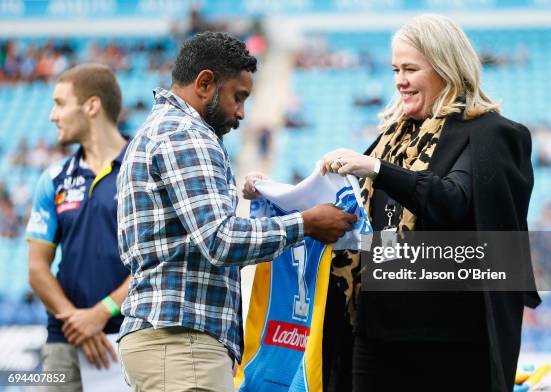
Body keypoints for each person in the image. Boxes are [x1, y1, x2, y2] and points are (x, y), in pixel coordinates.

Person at [116, 31, 356, 392]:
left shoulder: (157, 131)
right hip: (182, 342)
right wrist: (306, 223)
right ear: (205, 83)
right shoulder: (187, 134)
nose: (242, 113)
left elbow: (195, 239)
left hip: (168, 339)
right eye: (238, 97)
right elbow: (220, 240)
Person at [318, 14, 540, 392]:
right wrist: (278, 197)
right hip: (373, 335)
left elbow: (453, 201)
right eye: (395, 69)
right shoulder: (392, 137)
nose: (399, 81)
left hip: (451, 343)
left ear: (446, 69)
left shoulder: (490, 134)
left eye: (410, 69)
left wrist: (377, 168)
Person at [25, 63, 130, 391]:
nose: (52, 116)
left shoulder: (141, 171)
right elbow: (37, 268)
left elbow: (158, 261)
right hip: (65, 340)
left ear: (92, 106)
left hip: (132, 334)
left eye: (59, 103)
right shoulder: (53, 179)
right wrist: (77, 320)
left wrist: (101, 313)